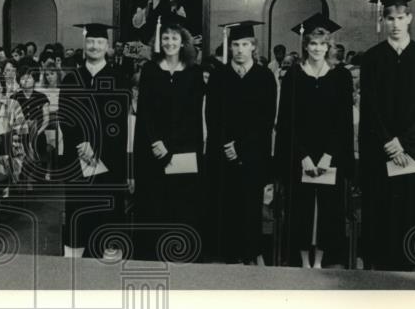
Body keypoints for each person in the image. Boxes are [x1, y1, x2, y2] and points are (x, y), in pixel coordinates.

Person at [359, 0, 415, 271]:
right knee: (377, 210)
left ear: (410, 18)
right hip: (380, 153)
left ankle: (405, 273)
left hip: (410, 154)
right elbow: (369, 108)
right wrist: (387, 142)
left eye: (400, 17)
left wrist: (404, 144)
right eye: (390, 18)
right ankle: (375, 271)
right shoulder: (371, 58)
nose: (395, 23)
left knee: (406, 213)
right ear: (383, 21)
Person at [274, 15, 354, 268]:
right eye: (312, 43)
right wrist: (304, 156)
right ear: (305, 46)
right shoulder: (293, 77)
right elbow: (287, 122)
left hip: (330, 155)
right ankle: (302, 261)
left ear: (328, 46)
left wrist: (329, 155)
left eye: (322, 44)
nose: (317, 48)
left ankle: (319, 260)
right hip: (302, 156)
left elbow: (342, 121)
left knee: (327, 210)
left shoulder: (340, 77)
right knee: (301, 208)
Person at [133, 20, 206, 261]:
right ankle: (152, 255)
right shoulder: (150, 70)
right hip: (153, 149)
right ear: (159, 42)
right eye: (165, 38)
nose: (170, 42)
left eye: (175, 38)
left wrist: (171, 145)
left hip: (184, 149)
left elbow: (194, 115)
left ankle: (179, 254)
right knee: (154, 202)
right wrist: (156, 141)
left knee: (181, 203)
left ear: (183, 42)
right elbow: (144, 111)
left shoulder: (194, 73)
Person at [206, 21, 277, 265]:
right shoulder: (219, 76)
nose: (239, 49)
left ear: (253, 47)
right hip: (223, 154)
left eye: (245, 44)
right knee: (227, 206)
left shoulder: (265, 76)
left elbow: (266, 119)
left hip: (253, 154)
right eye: (235, 44)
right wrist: (226, 145)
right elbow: (212, 116)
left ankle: (250, 255)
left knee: (250, 206)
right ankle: (230, 258)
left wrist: (241, 147)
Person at [59, 23, 129, 258]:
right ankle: (73, 264)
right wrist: (82, 144)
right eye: (91, 42)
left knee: (107, 211)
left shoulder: (118, 78)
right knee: (79, 211)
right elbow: (66, 118)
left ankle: (108, 265)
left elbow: (117, 122)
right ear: (84, 45)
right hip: (78, 158)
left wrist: (95, 146)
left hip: (108, 158)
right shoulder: (72, 79)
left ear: (107, 46)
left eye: (100, 42)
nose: (95, 46)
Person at [10, 63, 50, 183]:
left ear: (35, 79)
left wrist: (37, 132)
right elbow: (11, 120)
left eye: (29, 77)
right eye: (23, 78)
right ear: (19, 81)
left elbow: (46, 120)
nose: (26, 80)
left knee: (37, 141)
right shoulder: (14, 97)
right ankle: (20, 175)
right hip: (19, 134)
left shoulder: (42, 97)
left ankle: (37, 174)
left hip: (38, 132)